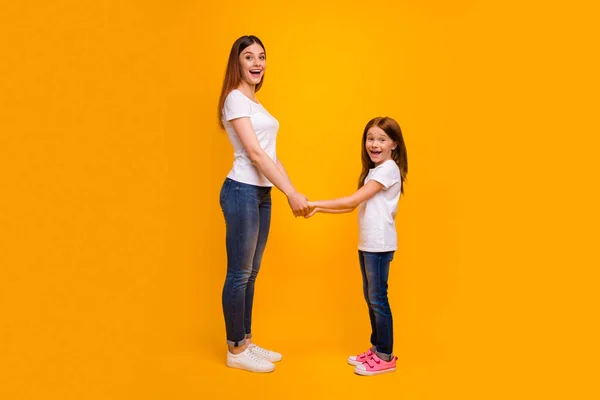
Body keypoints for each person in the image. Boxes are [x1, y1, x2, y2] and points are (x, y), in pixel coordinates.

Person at [217, 35, 310, 373]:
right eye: (249, 57)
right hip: (241, 190)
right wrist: (290, 193)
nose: (257, 63)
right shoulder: (235, 100)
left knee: (252, 273)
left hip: (261, 194)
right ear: (237, 63)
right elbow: (255, 155)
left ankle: (246, 339)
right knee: (239, 273)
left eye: (262, 57)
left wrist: (293, 191)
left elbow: (271, 155)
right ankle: (235, 349)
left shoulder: (257, 105)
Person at [306, 116, 408, 376]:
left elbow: (353, 199)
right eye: (370, 138)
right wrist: (316, 209)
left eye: (381, 139)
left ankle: (385, 355)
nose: (374, 144)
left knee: (378, 299)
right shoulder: (374, 171)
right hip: (368, 244)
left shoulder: (388, 169)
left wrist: (315, 202)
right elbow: (352, 206)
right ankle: (376, 349)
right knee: (371, 298)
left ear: (394, 144)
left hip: (379, 245)